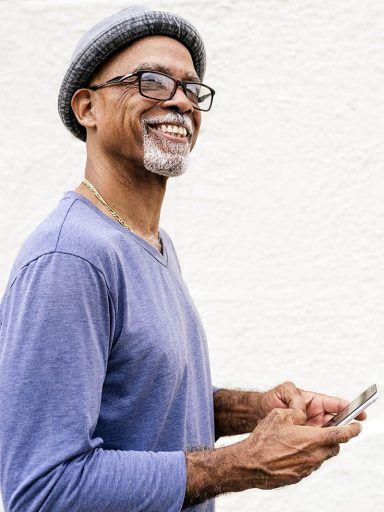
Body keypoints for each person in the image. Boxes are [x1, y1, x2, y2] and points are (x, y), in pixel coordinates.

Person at [0, 6, 364, 511]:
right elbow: (41, 488)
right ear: (88, 109)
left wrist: (252, 411)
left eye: (191, 89)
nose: (179, 101)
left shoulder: (152, 243)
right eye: (151, 81)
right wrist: (241, 463)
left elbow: (141, 402)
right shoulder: (71, 257)